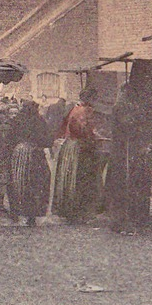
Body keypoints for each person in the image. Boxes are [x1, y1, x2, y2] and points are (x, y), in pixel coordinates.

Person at [108, 84, 152, 233]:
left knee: (133, 186)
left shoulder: (127, 108)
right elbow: (127, 125)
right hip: (124, 153)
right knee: (124, 186)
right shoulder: (120, 108)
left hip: (130, 153)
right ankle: (123, 221)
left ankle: (134, 218)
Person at [52, 87, 103, 222]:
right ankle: (80, 213)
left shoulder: (74, 108)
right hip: (80, 147)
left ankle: (71, 212)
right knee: (82, 179)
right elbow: (84, 130)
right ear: (90, 99)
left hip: (70, 146)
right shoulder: (85, 110)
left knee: (70, 180)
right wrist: (94, 137)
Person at [8, 100, 54, 225]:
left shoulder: (16, 120)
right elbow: (47, 139)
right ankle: (32, 216)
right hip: (34, 155)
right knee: (35, 183)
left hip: (18, 154)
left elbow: (10, 138)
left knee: (19, 183)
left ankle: (16, 212)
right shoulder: (38, 120)